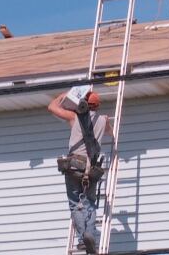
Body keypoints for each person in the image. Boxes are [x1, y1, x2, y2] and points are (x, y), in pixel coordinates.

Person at [48, 90, 113, 254]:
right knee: (89, 203)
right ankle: (89, 234)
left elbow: (51, 107)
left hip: (74, 166)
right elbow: (111, 134)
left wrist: (66, 94)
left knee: (75, 204)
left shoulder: (74, 118)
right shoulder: (103, 120)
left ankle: (83, 238)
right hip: (91, 169)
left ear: (81, 104)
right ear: (97, 106)